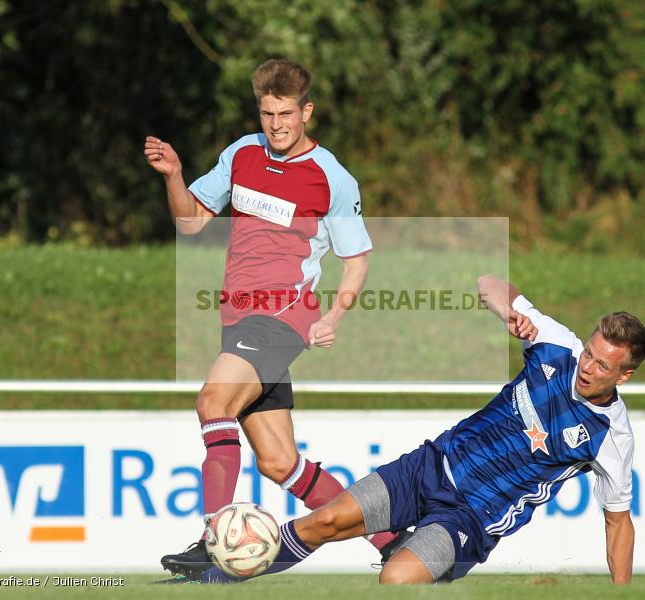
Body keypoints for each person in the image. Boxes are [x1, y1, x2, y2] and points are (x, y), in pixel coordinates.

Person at [197, 273, 645, 584]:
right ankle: (217, 574)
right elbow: (489, 283)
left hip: (471, 518)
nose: (587, 366)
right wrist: (510, 312)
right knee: (325, 522)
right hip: (429, 466)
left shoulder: (611, 435)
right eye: (589, 352)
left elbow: (618, 523)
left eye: (601, 364)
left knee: (395, 579)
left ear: (623, 375)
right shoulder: (555, 343)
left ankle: (423, 557)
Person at [143, 59, 401, 579]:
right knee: (280, 463)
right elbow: (191, 222)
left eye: (286, 114)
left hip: (284, 318)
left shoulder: (332, 177)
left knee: (212, 401)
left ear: (307, 111)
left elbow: (357, 260)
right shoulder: (242, 153)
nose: (276, 125)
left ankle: (214, 540)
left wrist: (334, 316)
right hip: (238, 319)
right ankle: (393, 535)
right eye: (267, 114)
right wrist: (174, 175)